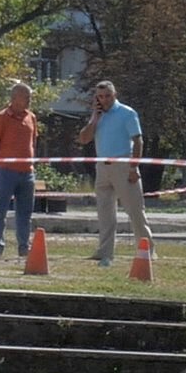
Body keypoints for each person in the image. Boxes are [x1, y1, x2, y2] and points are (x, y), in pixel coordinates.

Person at [77, 79, 149, 267]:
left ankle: (147, 250)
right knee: (105, 212)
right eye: (101, 96)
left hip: (123, 165)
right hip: (102, 166)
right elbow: (84, 139)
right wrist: (94, 117)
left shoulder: (127, 113)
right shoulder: (98, 117)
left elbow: (138, 141)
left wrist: (134, 167)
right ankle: (104, 251)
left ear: (114, 95)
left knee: (135, 210)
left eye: (108, 96)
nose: (105, 100)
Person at [0, 80, 38, 259]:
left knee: (25, 213)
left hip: (27, 173)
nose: (30, 100)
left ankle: (24, 247)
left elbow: (33, 141)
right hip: (6, 171)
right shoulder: (1, 117)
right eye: (27, 97)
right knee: (0, 211)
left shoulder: (31, 117)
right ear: (15, 98)